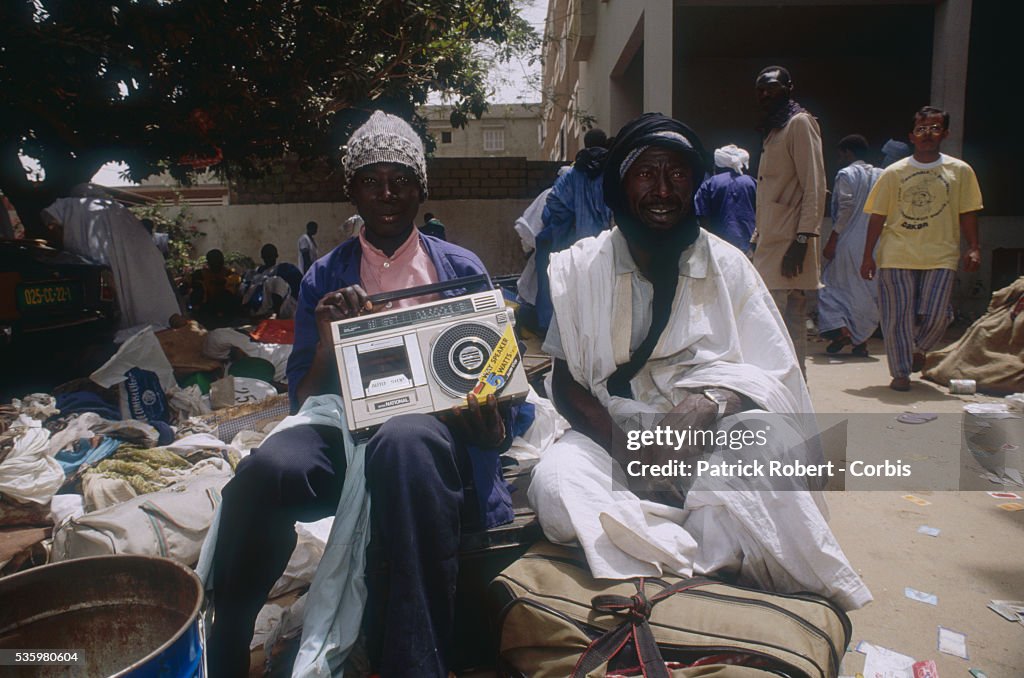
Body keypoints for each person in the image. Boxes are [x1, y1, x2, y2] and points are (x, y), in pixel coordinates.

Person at [207, 110, 528, 677]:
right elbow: (304, 402)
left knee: (404, 439)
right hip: (343, 429)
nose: (387, 194)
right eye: (372, 180)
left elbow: (502, 382)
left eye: (402, 180)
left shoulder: (459, 267)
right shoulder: (325, 278)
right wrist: (330, 340)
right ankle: (226, 649)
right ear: (350, 188)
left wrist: (493, 423)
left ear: (422, 188)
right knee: (267, 470)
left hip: (433, 437)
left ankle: (416, 664)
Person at [527, 112, 871, 611]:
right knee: (557, 487)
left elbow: (774, 371)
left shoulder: (728, 264)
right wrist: (626, 451)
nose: (663, 189)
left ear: (694, 183)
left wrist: (710, 402)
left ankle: (663, 555)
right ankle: (704, 556)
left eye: (678, 174)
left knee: (768, 456)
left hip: (712, 436)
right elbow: (567, 384)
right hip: (615, 434)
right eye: (646, 173)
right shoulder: (583, 267)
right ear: (622, 184)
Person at [860, 106, 983, 391]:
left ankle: (919, 348)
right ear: (912, 136)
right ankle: (900, 372)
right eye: (921, 129)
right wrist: (868, 256)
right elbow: (877, 216)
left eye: (935, 128)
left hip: (941, 254)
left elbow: (968, 212)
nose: (928, 135)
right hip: (896, 254)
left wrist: (974, 247)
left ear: (945, 133)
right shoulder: (893, 173)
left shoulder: (960, 171)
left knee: (939, 313)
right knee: (897, 316)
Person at [750, 66, 826, 379]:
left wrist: (803, 239)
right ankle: (789, 388)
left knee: (782, 320)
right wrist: (757, 234)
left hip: (791, 241)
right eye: (761, 89)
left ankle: (793, 387)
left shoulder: (800, 123)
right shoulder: (775, 129)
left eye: (772, 87)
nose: (765, 94)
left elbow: (815, 184)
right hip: (771, 238)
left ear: (789, 88)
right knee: (779, 321)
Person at [41, 185, 179, 331]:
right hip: (140, 260)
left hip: (96, 261)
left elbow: (50, 222)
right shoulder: (119, 209)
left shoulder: (68, 205)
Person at [534, 127, 615, 331]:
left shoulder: (575, 171)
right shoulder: (614, 169)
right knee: (606, 294)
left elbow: (554, 199)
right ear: (604, 142)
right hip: (610, 243)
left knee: (578, 293)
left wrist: (569, 221)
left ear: (585, 144)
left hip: (579, 243)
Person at [817, 134, 883, 356]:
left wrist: (833, 240)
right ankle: (860, 341)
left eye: (841, 154)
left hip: (848, 242)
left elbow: (845, 209)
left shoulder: (846, 174)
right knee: (864, 292)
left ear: (847, 153)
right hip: (875, 243)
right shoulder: (882, 175)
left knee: (829, 286)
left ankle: (842, 329)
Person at [694, 144, 757, 253]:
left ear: (718, 165)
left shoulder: (710, 184)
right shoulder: (752, 182)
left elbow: (701, 217)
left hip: (718, 247)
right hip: (750, 247)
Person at [239, 243, 302, 318]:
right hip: (259, 305)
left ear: (276, 256)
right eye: (266, 256)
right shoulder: (256, 272)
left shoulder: (284, 269)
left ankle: (275, 314)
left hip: (283, 307)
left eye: (270, 256)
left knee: (276, 281)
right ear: (262, 257)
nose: (268, 258)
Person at [189, 248, 242, 324]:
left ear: (222, 261)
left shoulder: (229, 274)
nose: (215, 263)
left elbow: (234, 286)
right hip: (205, 307)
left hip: (224, 307)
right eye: (213, 261)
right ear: (209, 262)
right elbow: (187, 282)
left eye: (218, 260)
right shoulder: (200, 274)